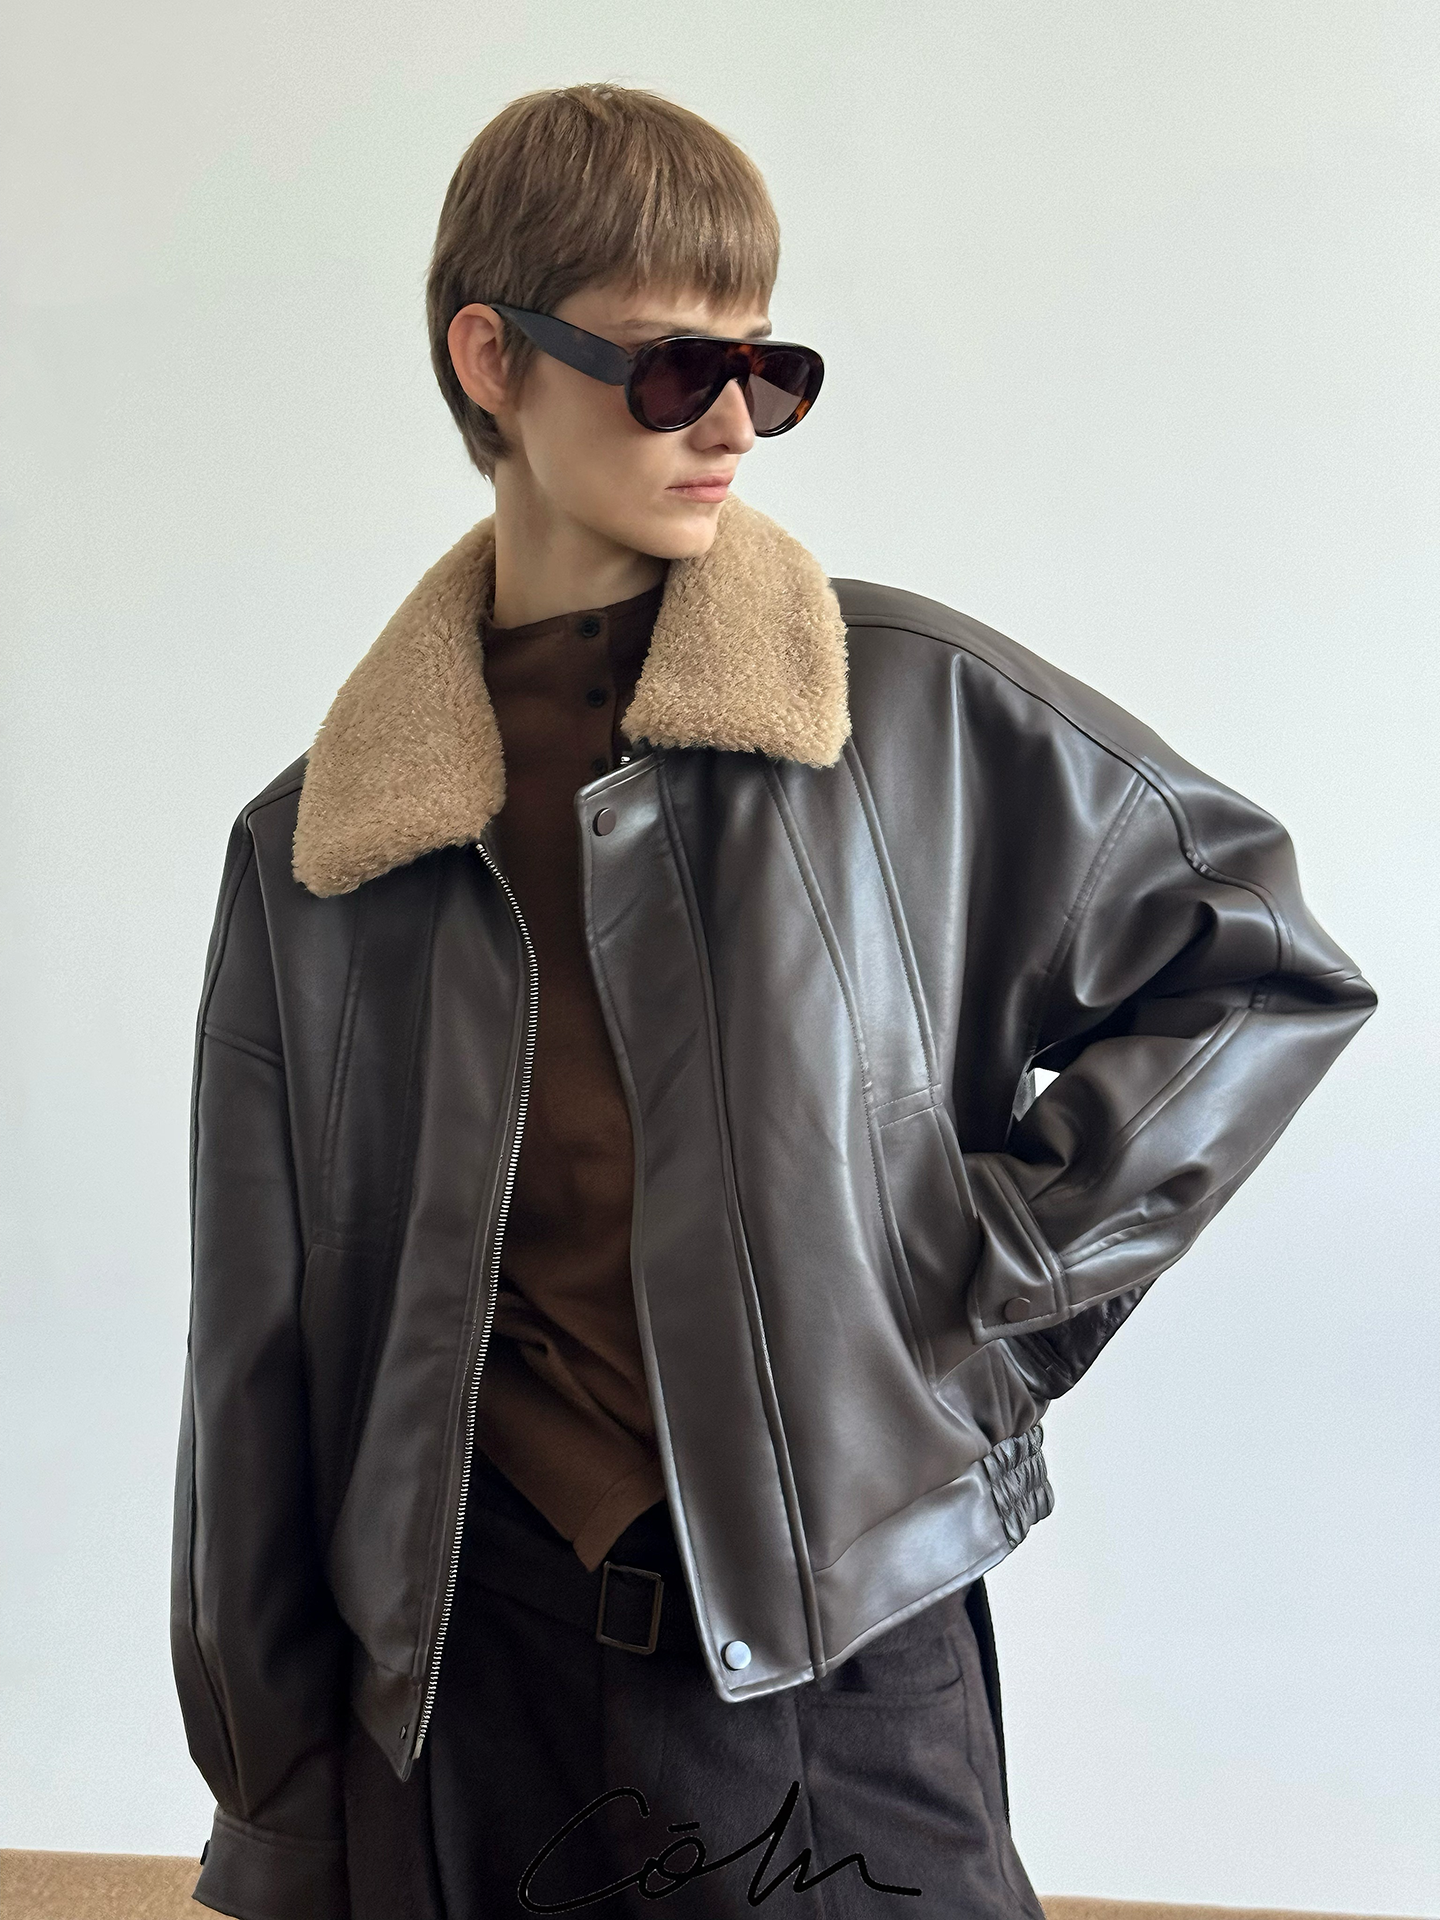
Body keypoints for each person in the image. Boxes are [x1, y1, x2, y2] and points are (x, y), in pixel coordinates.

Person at [171, 82, 1377, 1920]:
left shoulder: (901, 709)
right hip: (460, 1691)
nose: (733, 424)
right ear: (492, 360)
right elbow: (257, 1370)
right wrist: (272, 1803)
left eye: (769, 371)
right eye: (674, 370)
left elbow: (1256, 962)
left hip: (832, 1662)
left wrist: (983, 1314)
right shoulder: (320, 846)